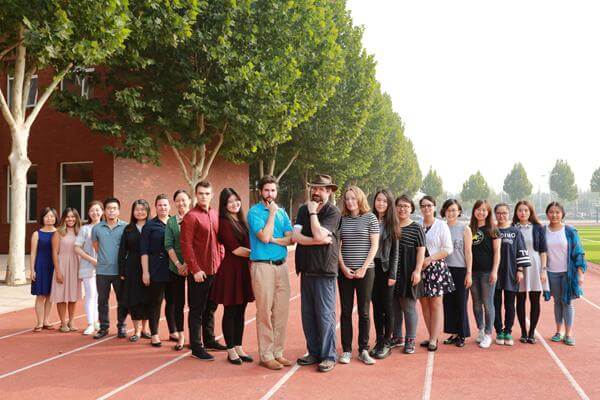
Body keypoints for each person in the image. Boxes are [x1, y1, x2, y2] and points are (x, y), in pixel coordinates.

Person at [293, 174, 341, 373]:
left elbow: (321, 233)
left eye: (321, 189)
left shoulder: (333, 212)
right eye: (314, 188)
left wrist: (313, 213)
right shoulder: (302, 209)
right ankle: (313, 352)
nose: (316, 192)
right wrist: (316, 240)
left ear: (329, 191)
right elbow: (296, 236)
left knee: (325, 315)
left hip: (324, 271)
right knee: (308, 315)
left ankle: (328, 356)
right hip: (306, 269)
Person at [247, 175, 294, 371]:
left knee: (281, 311)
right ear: (260, 192)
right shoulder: (254, 212)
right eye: (266, 190)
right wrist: (272, 214)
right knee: (265, 312)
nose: (270, 194)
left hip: (282, 266)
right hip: (263, 266)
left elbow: (291, 239)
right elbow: (264, 237)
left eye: (273, 190)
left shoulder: (283, 213)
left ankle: (277, 352)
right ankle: (266, 355)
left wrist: (275, 240)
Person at [180, 180, 226, 361]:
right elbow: (186, 245)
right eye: (200, 194)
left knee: (211, 308)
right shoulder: (191, 217)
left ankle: (209, 340)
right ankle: (196, 347)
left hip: (216, 270)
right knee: (197, 310)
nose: (204, 197)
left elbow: (220, 242)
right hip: (199, 273)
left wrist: (221, 263)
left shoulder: (215, 214)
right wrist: (195, 269)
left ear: (212, 195)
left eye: (207, 194)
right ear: (196, 195)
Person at [211, 188, 255, 365]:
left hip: (244, 270)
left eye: (236, 200)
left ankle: (238, 346)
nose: (234, 204)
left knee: (241, 311)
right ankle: (230, 350)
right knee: (230, 311)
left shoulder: (242, 221)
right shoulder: (223, 222)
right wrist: (259, 254)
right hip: (231, 271)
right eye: (230, 202)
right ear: (224, 205)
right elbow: (236, 250)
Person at [337, 186, 379, 365]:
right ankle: (346, 350)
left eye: (353, 198)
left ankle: (363, 349)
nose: (350, 202)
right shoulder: (342, 219)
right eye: (347, 199)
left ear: (360, 199)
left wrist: (363, 268)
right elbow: (337, 246)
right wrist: (343, 267)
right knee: (346, 311)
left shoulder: (370, 218)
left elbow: (374, 245)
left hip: (366, 271)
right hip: (345, 271)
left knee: (364, 311)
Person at [545, 202, 586, 346]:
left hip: (568, 273)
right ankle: (558, 331)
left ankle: (568, 334)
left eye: (557, 212)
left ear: (562, 214)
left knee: (567, 302)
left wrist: (580, 273)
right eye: (551, 212)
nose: (554, 215)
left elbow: (578, 252)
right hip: (551, 272)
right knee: (557, 302)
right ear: (547, 214)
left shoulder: (569, 231)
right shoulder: (544, 231)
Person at [418, 196, 455, 352]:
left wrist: (430, 259)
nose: (426, 208)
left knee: (436, 304)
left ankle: (434, 338)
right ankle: (431, 335)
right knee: (424, 303)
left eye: (429, 205)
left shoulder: (441, 225)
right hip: (420, 269)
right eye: (423, 206)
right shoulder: (417, 225)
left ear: (434, 207)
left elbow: (448, 249)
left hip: (436, 268)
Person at [494, 203, 531, 346]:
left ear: (509, 214)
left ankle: (508, 331)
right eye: (498, 213)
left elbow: (521, 250)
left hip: (511, 272)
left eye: (504, 213)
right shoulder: (492, 230)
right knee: (495, 303)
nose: (501, 216)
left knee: (509, 304)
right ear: (495, 214)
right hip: (495, 273)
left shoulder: (515, 231)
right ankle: (499, 331)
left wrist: (520, 270)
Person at [392, 195, 425, 354]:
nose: (402, 209)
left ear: (411, 208)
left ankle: (410, 339)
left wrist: (417, 270)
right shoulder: (391, 225)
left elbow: (421, 250)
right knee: (394, 307)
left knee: (408, 307)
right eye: (400, 205)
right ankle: (397, 337)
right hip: (392, 272)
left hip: (409, 272)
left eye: (406, 206)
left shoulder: (417, 228)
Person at [370, 189, 400, 359]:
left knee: (387, 306)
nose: (380, 203)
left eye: (384, 201)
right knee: (376, 306)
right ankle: (379, 339)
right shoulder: (369, 219)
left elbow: (395, 253)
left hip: (386, 269)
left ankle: (387, 341)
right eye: (378, 200)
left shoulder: (392, 224)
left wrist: (393, 275)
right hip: (371, 268)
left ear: (389, 204)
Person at [92, 198, 128, 339]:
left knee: (122, 300)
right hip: (102, 271)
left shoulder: (125, 227)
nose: (111, 211)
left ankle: (121, 326)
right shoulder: (97, 228)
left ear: (118, 211)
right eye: (109, 208)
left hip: (120, 271)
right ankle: (103, 327)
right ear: (104, 211)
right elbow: (96, 247)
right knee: (102, 301)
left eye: (114, 208)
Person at [513, 200, 548, 344]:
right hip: (518, 267)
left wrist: (543, 270)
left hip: (535, 265)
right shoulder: (512, 228)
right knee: (520, 299)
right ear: (516, 212)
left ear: (530, 212)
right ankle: (523, 331)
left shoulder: (538, 228)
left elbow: (543, 251)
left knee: (535, 300)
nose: (523, 213)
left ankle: (532, 332)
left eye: (526, 210)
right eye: (520, 210)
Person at [141, 194, 172, 347]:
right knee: (156, 302)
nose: (163, 207)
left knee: (173, 302)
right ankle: (154, 334)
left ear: (169, 206)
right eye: (160, 205)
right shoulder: (149, 226)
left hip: (173, 268)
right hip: (156, 269)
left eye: (165, 205)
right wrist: (145, 272)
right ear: (155, 207)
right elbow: (144, 251)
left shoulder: (175, 222)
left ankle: (173, 331)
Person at [441, 199, 472, 347]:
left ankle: (462, 334)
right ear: (444, 212)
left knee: (461, 302)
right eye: (448, 210)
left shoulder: (465, 229)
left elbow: (468, 252)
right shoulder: (442, 227)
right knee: (448, 303)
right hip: (445, 270)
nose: (451, 213)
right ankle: (453, 333)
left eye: (454, 210)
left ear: (459, 211)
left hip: (461, 270)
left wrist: (469, 273)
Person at [469, 200, 501, 349]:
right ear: (474, 211)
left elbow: (497, 252)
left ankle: (488, 333)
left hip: (487, 272)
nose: (481, 212)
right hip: (473, 272)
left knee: (488, 304)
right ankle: (481, 330)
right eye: (478, 209)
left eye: (484, 210)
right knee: (476, 303)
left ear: (488, 212)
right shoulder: (470, 229)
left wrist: (494, 271)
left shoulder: (493, 229)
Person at [118, 199, 151, 342]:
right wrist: (122, 271)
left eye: (143, 209)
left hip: (150, 266)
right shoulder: (128, 229)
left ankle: (145, 329)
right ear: (133, 212)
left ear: (148, 211)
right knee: (134, 299)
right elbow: (122, 251)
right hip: (132, 267)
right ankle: (136, 330)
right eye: (137, 209)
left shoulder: (152, 226)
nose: (140, 212)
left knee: (147, 298)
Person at [165, 189, 191, 351]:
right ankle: (180, 335)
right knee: (178, 303)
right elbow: (168, 244)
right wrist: (179, 264)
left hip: (194, 266)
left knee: (195, 304)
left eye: (183, 200)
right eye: (178, 200)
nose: (181, 203)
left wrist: (188, 263)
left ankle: (196, 337)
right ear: (174, 203)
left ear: (189, 200)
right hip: (175, 268)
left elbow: (197, 243)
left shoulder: (195, 217)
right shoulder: (171, 222)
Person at [50, 208, 82, 332]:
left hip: (75, 265)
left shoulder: (80, 232)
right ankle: (63, 322)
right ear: (63, 218)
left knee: (73, 295)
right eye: (68, 217)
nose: (70, 219)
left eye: (73, 216)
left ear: (76, 218)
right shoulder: (58, 233)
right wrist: (58, 271)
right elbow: (54, 253)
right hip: (62, 265)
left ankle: (71, 321)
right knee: (61, 295)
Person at [74, 201, 103, 335]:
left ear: (102, 211)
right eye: (92, 210)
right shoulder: (85, 229)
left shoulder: (106, 227)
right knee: (90, 294)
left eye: (97, 210)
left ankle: (97, 321)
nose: (95, 213)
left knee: (99, 295)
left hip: (104, 267)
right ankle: (90, 323)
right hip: (88, 266)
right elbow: (77, 248)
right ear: (88, 213)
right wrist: (92, 260)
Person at [30, 207, 58, 332]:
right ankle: (39, 322)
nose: (49, 218)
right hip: (41, 266)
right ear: (42, 218)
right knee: (40, 295)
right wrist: (32, 270)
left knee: (50, 295)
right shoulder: (37, 234)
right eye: (46, 216)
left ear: (55, 218)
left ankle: (46, 320)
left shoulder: (59, 233)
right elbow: (33, 253)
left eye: (52, 216)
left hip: (54, 267)